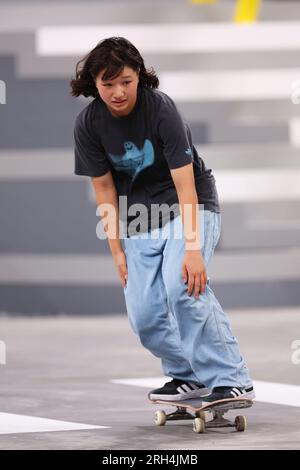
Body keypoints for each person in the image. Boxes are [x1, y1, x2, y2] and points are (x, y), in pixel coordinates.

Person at [71, 37, 255, 403]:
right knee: (144, 316)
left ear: (139, 75)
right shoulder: (88, 124)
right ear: (94, 84)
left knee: (184, 288)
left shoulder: (161, 110)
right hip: (140, 216)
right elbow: (105, 191)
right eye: (108, 84)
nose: (118, 92)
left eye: (125, 81)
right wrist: (117, 251)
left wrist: (192, 248)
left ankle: (230, 377)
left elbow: (185, 183)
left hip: (189, 205)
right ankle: (187, 374)